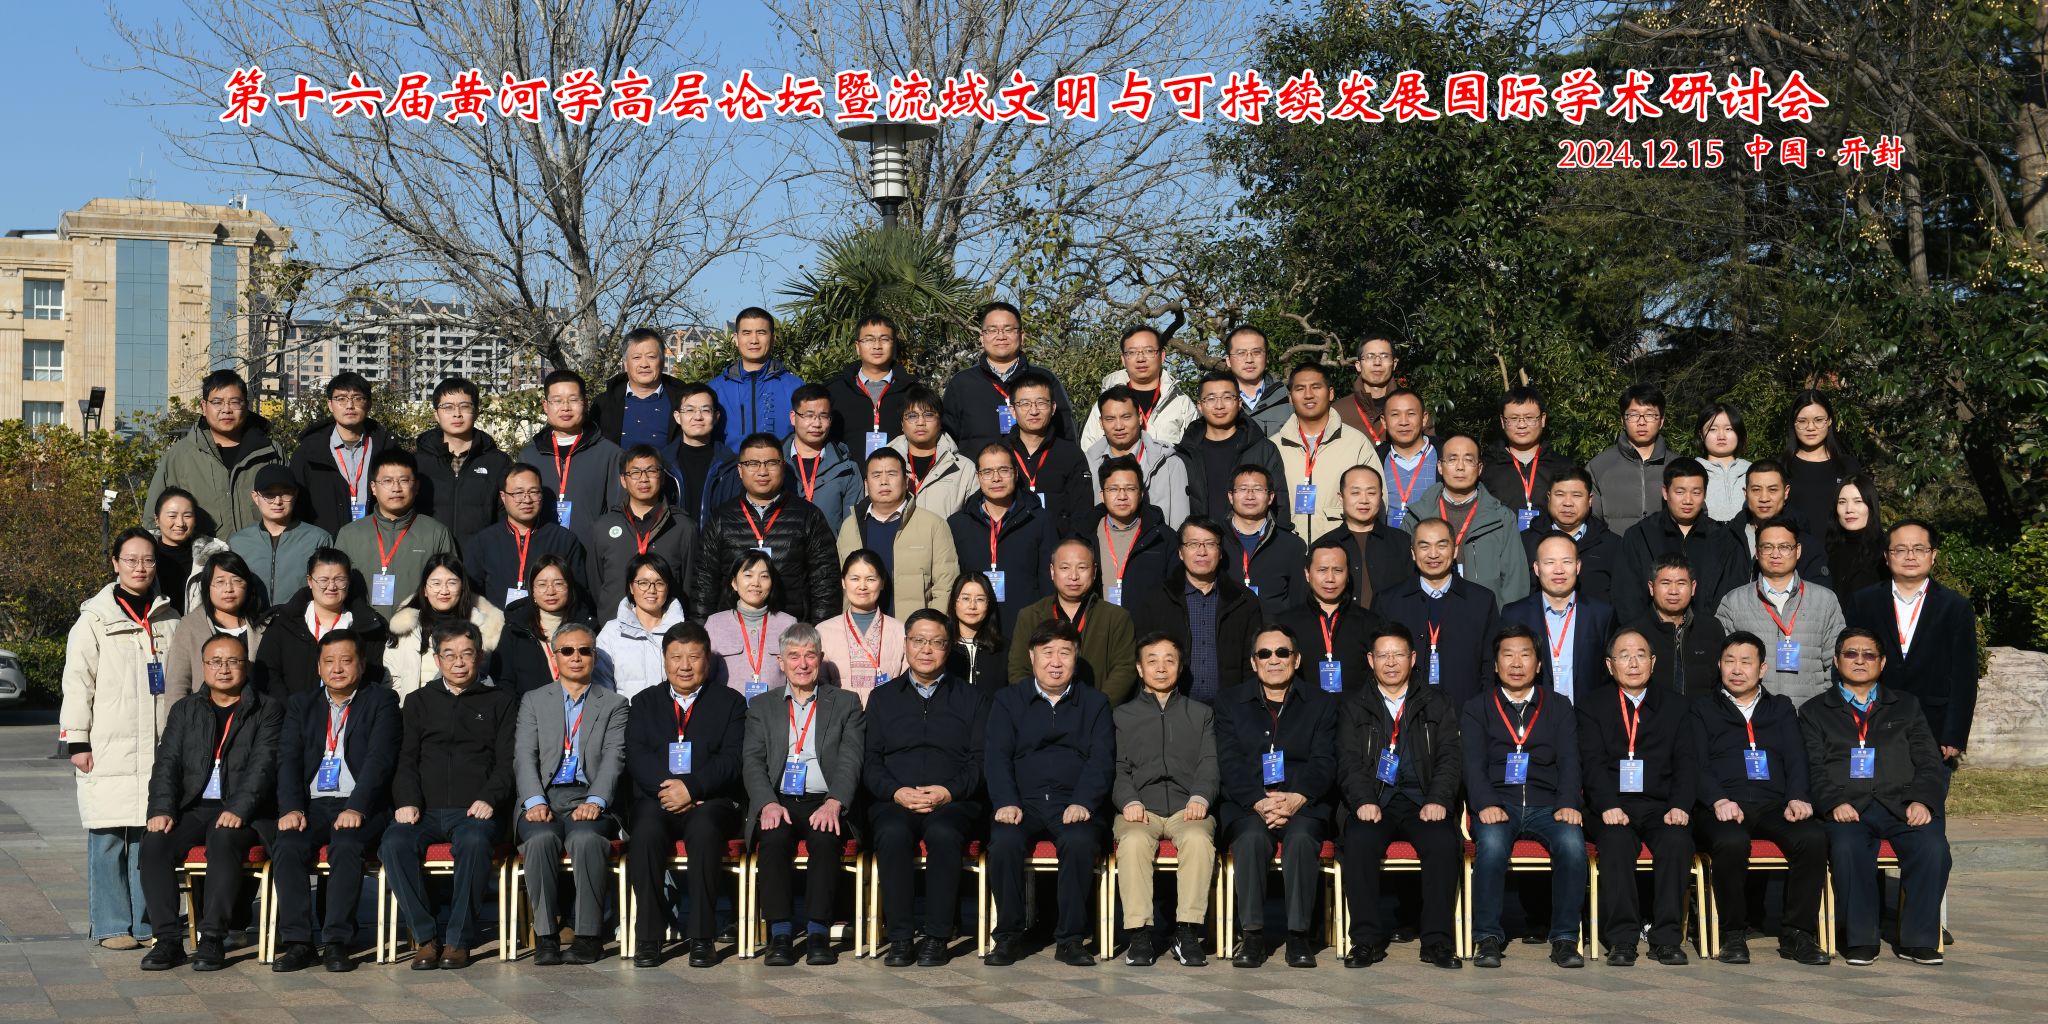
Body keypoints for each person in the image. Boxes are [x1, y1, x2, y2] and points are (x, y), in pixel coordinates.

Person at [62, 528, 180, 951]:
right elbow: (78, 682)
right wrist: (77, 740)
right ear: (115, 563)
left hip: (158, 745)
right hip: (109, 743)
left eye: (147, 559)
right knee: (108, 835)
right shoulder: (94, 620)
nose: (139, 567)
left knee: (149, 837)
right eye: (130, 559)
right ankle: (112, 925)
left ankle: (147, 923)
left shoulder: (169, 618)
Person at [1802, 628, 1950, 966]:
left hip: (1901, 805)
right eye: (1851, 654)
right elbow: (1812, 767)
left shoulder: (1907, 706)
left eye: (1868, 655)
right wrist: (1833, 802)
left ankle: (1919, 939)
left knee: (1933, 847)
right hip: (1847, 808)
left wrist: (1922, 800)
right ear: (1836, 661)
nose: (1860, 661)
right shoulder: (1814, 711)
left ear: (1882, 663)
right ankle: (1861, 938)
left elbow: (1929, 761)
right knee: (1847, 847)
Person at [135, 632, 280, 971]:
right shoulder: (185, 710)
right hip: (194, 806)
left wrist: (239, 808)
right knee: (154, 843)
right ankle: (167, 940)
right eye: (215, 661)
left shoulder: (267, 709)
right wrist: (161, 809)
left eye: (232, 661)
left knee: (224, 837)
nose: (224, 669)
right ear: (203, 666)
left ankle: (213, 937)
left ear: (245, 667)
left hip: (243, 811)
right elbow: (167, 763)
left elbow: (264, 766)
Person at [380, 621, 518, 971]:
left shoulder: (501, 701)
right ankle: (425, 937)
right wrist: (406, 800)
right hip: (423, 810)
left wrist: (490, 798)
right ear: (437, 659)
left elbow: (508, 762)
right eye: (449, 655)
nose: (458, 662)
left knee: (474, 842)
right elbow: (405, 759)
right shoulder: (418, 702)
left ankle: (458, 940)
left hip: (475, 810)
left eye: (466, 654)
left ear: (479, 657)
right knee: (394, 843)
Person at [1687, 631, 1830, 966]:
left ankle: (1798, 933)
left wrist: (1797, 797)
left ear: (1762, 668)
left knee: (1812, 837)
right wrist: (1717, 799)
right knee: (1731, 842)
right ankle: (1732, 933)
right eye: (1729, 661)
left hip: (1773, 804)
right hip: (1722, 806)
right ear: (1719, 665)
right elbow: (1695, 763)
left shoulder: (1780, 708)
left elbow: (1796, 758)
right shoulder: (1702, 708)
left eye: (1746, 662)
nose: (1737, 669)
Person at [983, 621, 1115, 967]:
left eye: (1065, 653)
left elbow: (1101, 760)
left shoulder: (1095, 703)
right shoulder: (1008, 700)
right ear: (1032, 656)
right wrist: (1006, 801)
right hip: (1022, 801)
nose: (1056, 662)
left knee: (1080, 841)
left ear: (1076, 657)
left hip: (1072, 802)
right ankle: (1008, 936)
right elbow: (996, 757)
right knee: (1005, 842)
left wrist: (1084, 801)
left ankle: (1070, 939)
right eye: (1047, 652)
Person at [267, 629, 400, 973]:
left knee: (346, 843)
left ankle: (337, 941)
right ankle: (298, 942)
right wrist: (292, 808)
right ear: (318, 667)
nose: (337, 668)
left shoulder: (382, 701)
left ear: (361, 664)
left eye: (345, 660)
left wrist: (357, 806)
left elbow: (380, 760)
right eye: (329, 661)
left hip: (360, 803)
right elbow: (288, 759)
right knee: (288, 844)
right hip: (312, 804)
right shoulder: (302, 704)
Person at [1336, 623, 1463, 970]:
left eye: (1398, 655)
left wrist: (1439, 798)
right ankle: (1366, 940)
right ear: (1370, 660)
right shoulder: (1354, 705)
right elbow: (1348, 761)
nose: (1390, 662)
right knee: (1358, 842)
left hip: (1423, 800)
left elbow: (1450, 757)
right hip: (1376, 800)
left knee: (1443, 843)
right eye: (1383, 656)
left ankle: (1436, 941)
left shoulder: (1437, 702)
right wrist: (1363, 800)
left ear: (1413, 658)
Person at [866, 609, 988, 967]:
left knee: (944, 834)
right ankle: (901, 938)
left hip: (952, 801)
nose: (926, 650)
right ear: (905, 644)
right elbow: (870, 762)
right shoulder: (882, 698)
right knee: (892, 833)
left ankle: (937, 936)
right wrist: (896, 792)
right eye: (918, 641)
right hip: (895, 799)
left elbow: (980, 762)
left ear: (949, 648)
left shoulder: (972, 698)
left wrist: (948, 792)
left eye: (936, 642)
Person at [1462, 624, 1588, 970]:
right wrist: (1485, 803)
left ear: (1539, 663)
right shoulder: (1477, 707)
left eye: (1525, 654)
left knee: (1572, 845)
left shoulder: (1559, 706)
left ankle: (1565, 938)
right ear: (1495, 664)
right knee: (1490, 846)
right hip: (1498, 803)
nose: (1516, 663)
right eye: (1508, 655)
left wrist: (1568, 802)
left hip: (1548, 804)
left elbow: (1570, 761)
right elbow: (1472, 763)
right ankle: (1487, 937)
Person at [624, 622, 748, 968]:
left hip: (711, 801)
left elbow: (733, 759)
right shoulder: (645, 702)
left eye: (693, 657)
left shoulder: (730, 702)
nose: (685, 666)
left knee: (705, 830)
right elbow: (637, 755)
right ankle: (649, 937)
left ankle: (702, 937)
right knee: (645, 832)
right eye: (676, 657)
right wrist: (670, 789)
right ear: (664, 660)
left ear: (707, 660)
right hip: (658, 798)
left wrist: (692, 788)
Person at [1214, 624, 1339, 968]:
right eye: (1264, 653)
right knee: (1252, 839)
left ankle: (1298, 936)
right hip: (1248, 803)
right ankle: (1253, 936)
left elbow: (1325, 761)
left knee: (1300, 840)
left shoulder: (1322, 703)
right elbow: (1229, 762)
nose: (1274, 660)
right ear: (1253, 662)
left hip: (1304, 803)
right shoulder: (1229, 702)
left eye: (1282, 653)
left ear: (1296, 660)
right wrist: (1259, 801)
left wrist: (1298, 797)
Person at [742, 623, 866, 966]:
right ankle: (780, 933)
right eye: (793, 656)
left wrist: (834, 802)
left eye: (810, 655)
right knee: (773, 839)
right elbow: (752, 761)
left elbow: (851, 759)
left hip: (824, 800)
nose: (802, 663)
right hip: (778, 800)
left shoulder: (845, 703)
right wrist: (767, 803)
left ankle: (817, 933)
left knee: (826, 839)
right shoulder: (762, 705)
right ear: (780, 662)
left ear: (820, 659)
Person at [513, 621, 629, 966]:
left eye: (584, 651)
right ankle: (546, 936)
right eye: (567, 651)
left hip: (590, 797)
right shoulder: (534, 700)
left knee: (587, 840)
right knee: (540, 840)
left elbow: (614, 757)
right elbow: (524, 755)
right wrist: (534, 801)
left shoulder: (614, 704)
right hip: (544, 797)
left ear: (594, 656)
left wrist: (596, 800)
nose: (576, 657)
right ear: (555, 656)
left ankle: (589, 936)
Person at [1579, 628, 1696, 967]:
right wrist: (1607, 805)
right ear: (1609, 664)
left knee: (1677, 841)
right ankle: (1622, 939)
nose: (1633, 663)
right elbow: (1591, 764)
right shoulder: (1592, 706)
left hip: (1661, 805)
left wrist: (1679, 805)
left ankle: (1667, 938)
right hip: (1612, 805)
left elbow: (1688, 763)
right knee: (1615, 843)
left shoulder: (1676, 706)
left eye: (1641, 655)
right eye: (1624, 656)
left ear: (1653, 662)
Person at [1111, 633, 1219, 967]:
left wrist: (1201, 796)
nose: (1161, 668)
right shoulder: (1121, 716)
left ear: (1180, 667)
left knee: (1199, 840)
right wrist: (1128, 800)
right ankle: (1139, 934)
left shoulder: (1200, 713)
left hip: (1188, 808)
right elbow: (1116, 768)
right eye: (1152, 661)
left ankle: (1187, 931)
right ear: (1139, 669)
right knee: (1132, 843)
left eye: (1169, 661)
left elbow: (1209, 762)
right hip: (1139, 808)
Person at [1844, 519, 1979, 773]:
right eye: (1900, 549)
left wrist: (1955, 734)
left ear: (1933, 555)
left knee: (1928, 794)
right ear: (1887, 556)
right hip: (1873, 720)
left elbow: (1965, 676)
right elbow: (1847, 663)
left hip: (1933, 724)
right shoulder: (1864, 602)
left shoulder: (1955, 607)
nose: (1910, 556)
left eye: (1919, 549)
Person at [690, 433, 842, 623]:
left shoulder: (808, 516)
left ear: (783, 466)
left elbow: (825, 582)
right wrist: (702, 632)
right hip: (733, 632)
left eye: (771, 463)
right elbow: (704, 583)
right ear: (740, 470)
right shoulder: (721, 518)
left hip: (792, 631)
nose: (762, 471)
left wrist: (819, 632)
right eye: (752, 464)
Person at [1129, 518, 1263, 702]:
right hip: (1172, 706)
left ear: (1220, 552)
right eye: (1193, 544)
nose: (1202, 552)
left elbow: (1252, 662)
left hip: (1229, 707)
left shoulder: (1243, 600)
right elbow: (1142, 655)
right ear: (1180, 552)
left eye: (1210, 544)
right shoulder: (1156, 599)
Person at [1375, 518, 1504, 708]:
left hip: (1465, 712)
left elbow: (1490, 666)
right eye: (1424, 546)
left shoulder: (1481, 601)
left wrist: (1483, 712)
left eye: (1441, 545)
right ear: (1413, 553)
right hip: (1405, 714)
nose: (1433, 554)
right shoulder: (1389, 602)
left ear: (1455, 550)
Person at [1715, 519, 1847, 703]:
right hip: (1753, 713)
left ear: (1798, 550)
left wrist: (1822, 709)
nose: (1775, 554)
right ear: (1757, 551)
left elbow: (1836, 664)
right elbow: (1722, 663)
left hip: (1810, 713)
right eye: (1767, 547)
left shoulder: (1825, 600)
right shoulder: (1733, 602)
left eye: (1784, 547)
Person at [146, 369, 284, 537]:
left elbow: (293, 508)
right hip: (201, 553)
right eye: (217, 402)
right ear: (204, 407)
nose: (226, 410)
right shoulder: (181, 455)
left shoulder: (270, 452)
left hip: (260, 552)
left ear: (246, 406)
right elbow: (153, 519)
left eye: (235, 402)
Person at [1613, 458, 1751, 625]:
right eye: (1680, 492)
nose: (1688, 500)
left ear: (1705, 494)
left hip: (1709, 635)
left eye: (1696, 492)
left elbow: (1734, 596)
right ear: (1665, 492)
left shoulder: (1724, 539)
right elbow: (1627, 597)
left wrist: (1711, 633)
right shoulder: (1640, 536)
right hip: (1650, 635)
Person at [946, 443, 1060, 638]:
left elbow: (1048, 580)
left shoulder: (1040, 520)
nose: (996, 478)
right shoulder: (958, 524)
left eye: (1003, 470)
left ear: (1015, 473)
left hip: (1027, 627)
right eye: (987, 472)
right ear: (978, 477)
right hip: (974, 629)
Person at [1006, 539, 1139, 704]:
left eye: (1082, 568)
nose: (1074, 576)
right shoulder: (1030, 616)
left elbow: (1125, 670)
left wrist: (1096, 707)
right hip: (1041, 711)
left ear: (1094, 571)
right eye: (1065, 568)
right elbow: (1019, 670)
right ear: (1052, 571)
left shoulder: (1116, 617)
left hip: (1097, 712)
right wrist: (1042, 706)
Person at [941, 300, 1078, 456]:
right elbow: (947, 440)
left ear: (1021, 336)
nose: (1001, 336)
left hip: (1037, 470)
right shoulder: (962, 383)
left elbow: (1065, 434)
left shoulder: (1044, 379)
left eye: (1008, 329)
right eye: (992, 330)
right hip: (977, 471)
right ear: (982, 337)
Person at [333, 449, 458, 617]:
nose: (396, 488)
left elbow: (452, 587)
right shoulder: (350, 534)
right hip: (362, 628)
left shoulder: (436, 533)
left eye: (404, 480)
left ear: (416, 486)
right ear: (373, 487)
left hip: (419, 627)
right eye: (387, 481)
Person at [837, 448, 959, 616]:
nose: (884, 481)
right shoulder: (850, 527)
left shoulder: (933, 525)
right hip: (860, 627)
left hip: (913, 629)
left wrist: (930, 626)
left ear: (906, 481)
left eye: (892, 474)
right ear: (866, 484)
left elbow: (946, 586)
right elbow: (839, 586)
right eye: (876, 475)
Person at [1272, 362, 1383, 545]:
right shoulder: (1274, 446)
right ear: (1290, 397)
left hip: (1342, 549)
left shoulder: (1356, 442)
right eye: (1300, 389)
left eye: (1316, 387)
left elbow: (1378, 498)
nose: (1308, 394)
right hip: (1287, 550)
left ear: (1330, 393)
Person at [517, 369, 628, 551]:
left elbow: (618, 514)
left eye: (573, 400)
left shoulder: (610, 454)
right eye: (557, 401)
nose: (565, 407)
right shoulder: (529, 456)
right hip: (540, 555)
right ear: (545, 406)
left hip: (591, 555)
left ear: (585, 403)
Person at [255, 548, 389, 699]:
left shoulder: (368, 627)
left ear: (349, 582)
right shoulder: (284, 621)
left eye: (339, 579)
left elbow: (374, 678)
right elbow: (268, 674)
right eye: (323, 580)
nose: (331, 586)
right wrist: (291, 708)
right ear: (310, 581)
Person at [1415, 434, 1530, 605]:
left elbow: (1515, 581)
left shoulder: (1502, 518)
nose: (1460, 467)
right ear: (1440, 466)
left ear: (1480, 468)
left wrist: (1503, 620)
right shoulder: (1417, 516)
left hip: (1485, 613)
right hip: (1428, 611)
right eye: (1452, 459)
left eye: (1468, 460)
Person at [587, 444, 699, 616]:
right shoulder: (603, 526)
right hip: (616, 625)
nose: (644, 479)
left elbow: (690, 586)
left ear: (662, 476)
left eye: (651, 471)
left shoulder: (683, 527)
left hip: (667, 627)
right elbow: (596, 584)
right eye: (635, 472)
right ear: (623, 480)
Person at [1502, 535, 1617, 701]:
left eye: (1567, 562)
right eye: (1550, 562)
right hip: (1533, 712)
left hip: (1586, 711)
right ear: (1536, 568)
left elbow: (1607, 674)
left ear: (1578, 566)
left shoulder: (1602, 614)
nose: (1559, 570)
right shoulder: (1514, 615)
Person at [464, 463, 589, 609]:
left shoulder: (563, 540)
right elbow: (472, 594)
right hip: (498, 621)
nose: (527, 500)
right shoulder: (483, 541)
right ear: (503, 497)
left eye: (534, 492)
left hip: (550, 620)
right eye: (518, 493)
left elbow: (578, 592)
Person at [289, 372, 397, 533]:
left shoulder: (387, 448)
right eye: (341, 399)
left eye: (357, 398)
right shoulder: (308, 452)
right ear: (330, 405)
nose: (350, 405)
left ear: (369, 404)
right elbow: (296, 506)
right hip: (325, 542)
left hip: (377, 539)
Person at [384, 556, 506, 699]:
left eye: (452, 583)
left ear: (462, 587)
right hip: (413, 708)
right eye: (436, 583)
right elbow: (392, 678)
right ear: (424, 589)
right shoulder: (405, 627)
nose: (444, 591)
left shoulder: (484, 628)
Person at [1176, 370, 1289, 522]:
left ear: (1239, 403)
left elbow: (1279, 503)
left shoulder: (1263, 449)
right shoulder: (1185, 453)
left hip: (1248, 535)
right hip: (1198, 536)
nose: (1219, 405)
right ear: (1200, 406)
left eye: (1227, 397)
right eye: (1211, 399)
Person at [415, 377, 514, 543]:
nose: (457, 414)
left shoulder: (498, 462)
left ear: (476, 412)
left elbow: (507, 517)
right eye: (448, 407)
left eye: (465, 406)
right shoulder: (417, 463)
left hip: (481, 555)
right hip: (430, 555)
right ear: (436, 415)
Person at [1277, 544, 1382, 695]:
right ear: (1307, 573)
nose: (1330, 578)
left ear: (1348, 575)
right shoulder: (1286, 624)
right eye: (1322, 570)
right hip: (1305, 708)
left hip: (1356, 708)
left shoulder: (1370, 623)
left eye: (1338, 570)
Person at [163, 552, 267, 701]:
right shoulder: (190, 626)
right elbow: (177, 684)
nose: (228, 589)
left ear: (247, 585)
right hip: (203, 712)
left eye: (237, 581)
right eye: (220, 582)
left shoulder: (265, 626)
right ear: (207, 587)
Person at [1002, 370, 1094, 538]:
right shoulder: (1001, 453)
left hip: (1060, 547)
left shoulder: (1071, 454)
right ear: (1013, 410)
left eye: (1041, 403)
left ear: (1053, 408)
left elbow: (1082, 512)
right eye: (1025, 404)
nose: (1034, 411)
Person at [1083, 386, 1191, 530]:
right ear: (1101, 423)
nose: (1119, 426)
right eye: (1110, 419)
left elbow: (1181, 525)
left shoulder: (1169, 464)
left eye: (1126, 417)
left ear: (1139, 417)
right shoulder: (1087, 466)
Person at [1310, 465, 1416, 609]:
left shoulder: (1402, 542)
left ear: (1381, 496)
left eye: (1371, 493)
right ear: (1341, 497)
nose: (1364, 500)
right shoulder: (1323, 546)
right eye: (1355, 493)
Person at [229, 464, 334, 606]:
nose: (277, 501)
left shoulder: (318, 539)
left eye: (285, 493)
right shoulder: (238, 542)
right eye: (269, 495)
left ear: (295, 494)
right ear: (255, 497)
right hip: (253, 618)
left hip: (300, 618)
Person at [491, 556, 597, 697]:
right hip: (527, 709)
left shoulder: (588, 627)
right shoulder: (515, 629)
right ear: (532, 590)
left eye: (558, 584)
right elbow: (504, 683)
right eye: (542, 585)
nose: (550, 591)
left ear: (569, 587)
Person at [1081, 325, 1198, 448]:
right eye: (1132, 352)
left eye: (1149, 351)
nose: (1140, 358)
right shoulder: (1106, 403)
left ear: (1162, 356)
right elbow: (1089, 450)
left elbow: (1195, 451)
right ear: (1123, 359)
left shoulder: (1180, 403)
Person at [1628, 554, 1728, 697]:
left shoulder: (1712, 629)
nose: (1673, 591)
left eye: (1681, 583)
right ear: (1651, 587)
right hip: (1651, 711)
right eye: (1665, 583)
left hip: (1702, 710)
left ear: (1693, 587)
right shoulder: (1633, 632)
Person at [703, 550, 798, 700]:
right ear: (734, 583)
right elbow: (705, 676)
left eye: (764, 576)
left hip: (775, 710)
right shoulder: (715, 623)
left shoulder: (788, 624)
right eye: (748, 575)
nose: (756, 583)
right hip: (727, 710)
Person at [1479, 386, 1581, 526]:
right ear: (1503, 421)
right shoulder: (1486, 467)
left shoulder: (1564, 466)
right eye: (1513, 418)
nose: (1522, 425)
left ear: (1542, 419)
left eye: (1529, 418)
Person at [817, 549, 908, 704]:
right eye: (855, 579)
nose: (862, 586)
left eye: (870, 579)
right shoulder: (823, 631)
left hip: (887, 714)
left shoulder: (900, 631)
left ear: (882, 583)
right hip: (839, 715)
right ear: (843, 582)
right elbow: (820, 683)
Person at [1080, 456, 1174, 605]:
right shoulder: (1084, 535)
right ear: (1102, 495)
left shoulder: (1163, 537)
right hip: (1099, 619)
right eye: (1113, 489)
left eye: (1130, 489)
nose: (1122, 496)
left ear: (1141, 494)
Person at [709, 306, 806, 451]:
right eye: (746, 333)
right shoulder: (715, 389)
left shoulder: (795, 387)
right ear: (735, 339)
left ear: (773, 339)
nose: (754, 340)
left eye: (761, 333)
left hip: (781, 465)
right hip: (729, 465)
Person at [1519, 468, 1620, 607]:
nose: (1568, 503)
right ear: (1549, 497)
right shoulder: (1525, 542)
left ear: (1590, 499)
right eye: (1560, 494)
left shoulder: (1612, 545)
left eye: (1576, 495)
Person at [824, 313, 922, 453]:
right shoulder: (834, 391)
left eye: (885, 339)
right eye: (869, 339)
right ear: (857, 347)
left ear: (894, 345)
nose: (877, 346)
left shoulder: (913, 391)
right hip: (847, 467)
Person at [1219, 464, 1308, 616]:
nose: (1250, 496)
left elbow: (1299, 603)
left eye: (1258, 489)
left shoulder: (1292, 545)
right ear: (1230, 496)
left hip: (1276, 629)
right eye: (1243, 489)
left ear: (1270, 497)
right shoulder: (1215, 541)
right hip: (1226, 629)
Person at [597, 554, 689, 700]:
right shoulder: (612, 632)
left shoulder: (684, 633)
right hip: (626, 714)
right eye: (643, 583)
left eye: (659, 583)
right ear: (631, 587)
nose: (651, 590)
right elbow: (601, 685)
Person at [1586, 383, 1674, 535]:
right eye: (1633, 415)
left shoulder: (1678, 466)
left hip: (1668, 550)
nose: (1641, 422)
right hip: (1616, 549)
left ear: (1661, 421)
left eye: (1650, 415)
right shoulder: (1599, 466)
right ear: (1622, 420)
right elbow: (1590, 523)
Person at [1727, 460, 1832, 585]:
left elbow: (1819, 594)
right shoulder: (1726, 541)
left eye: (1772, 490)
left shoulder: (1808, 547)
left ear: (1786, 492)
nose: (1764, 498)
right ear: (1745, 493)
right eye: (1756, 490)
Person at [888, 384, 978, 520]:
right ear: (902, 423)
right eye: (912, 416)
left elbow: (974, 520)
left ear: (940, 421)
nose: (920, 422)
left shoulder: (964, 468)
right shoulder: (884, 465)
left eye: (928, 415)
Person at [1781, 389, 1862, 539]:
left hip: (1840, 550)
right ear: (1793, 423)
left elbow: (1864, 513)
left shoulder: (1848, 466)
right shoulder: (1780, 467)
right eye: (1802, 421)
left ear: (1829, 420)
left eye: (1818, 420)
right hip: (1793, 551)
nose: (1810, 427)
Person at [784, 382, 863, 531]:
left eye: (823, 416)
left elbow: (853, 527)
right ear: (793, 417)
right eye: (809, 415)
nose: (817, 423)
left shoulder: (847, 468)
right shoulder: (774, 464)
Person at [594, 327, 688, 451]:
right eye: (636, 357)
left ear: (662, 361)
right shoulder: (603, 404)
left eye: (651, 357)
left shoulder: (682, 401)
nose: (644, 364)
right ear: (625, 363)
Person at [666, 383, 737, 526]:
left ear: (716, 417)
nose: (698, 417)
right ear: (677, 417)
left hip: (718, 539)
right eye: (689, 410)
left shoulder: (731, 465)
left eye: (705, 410)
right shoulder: (663, 464)